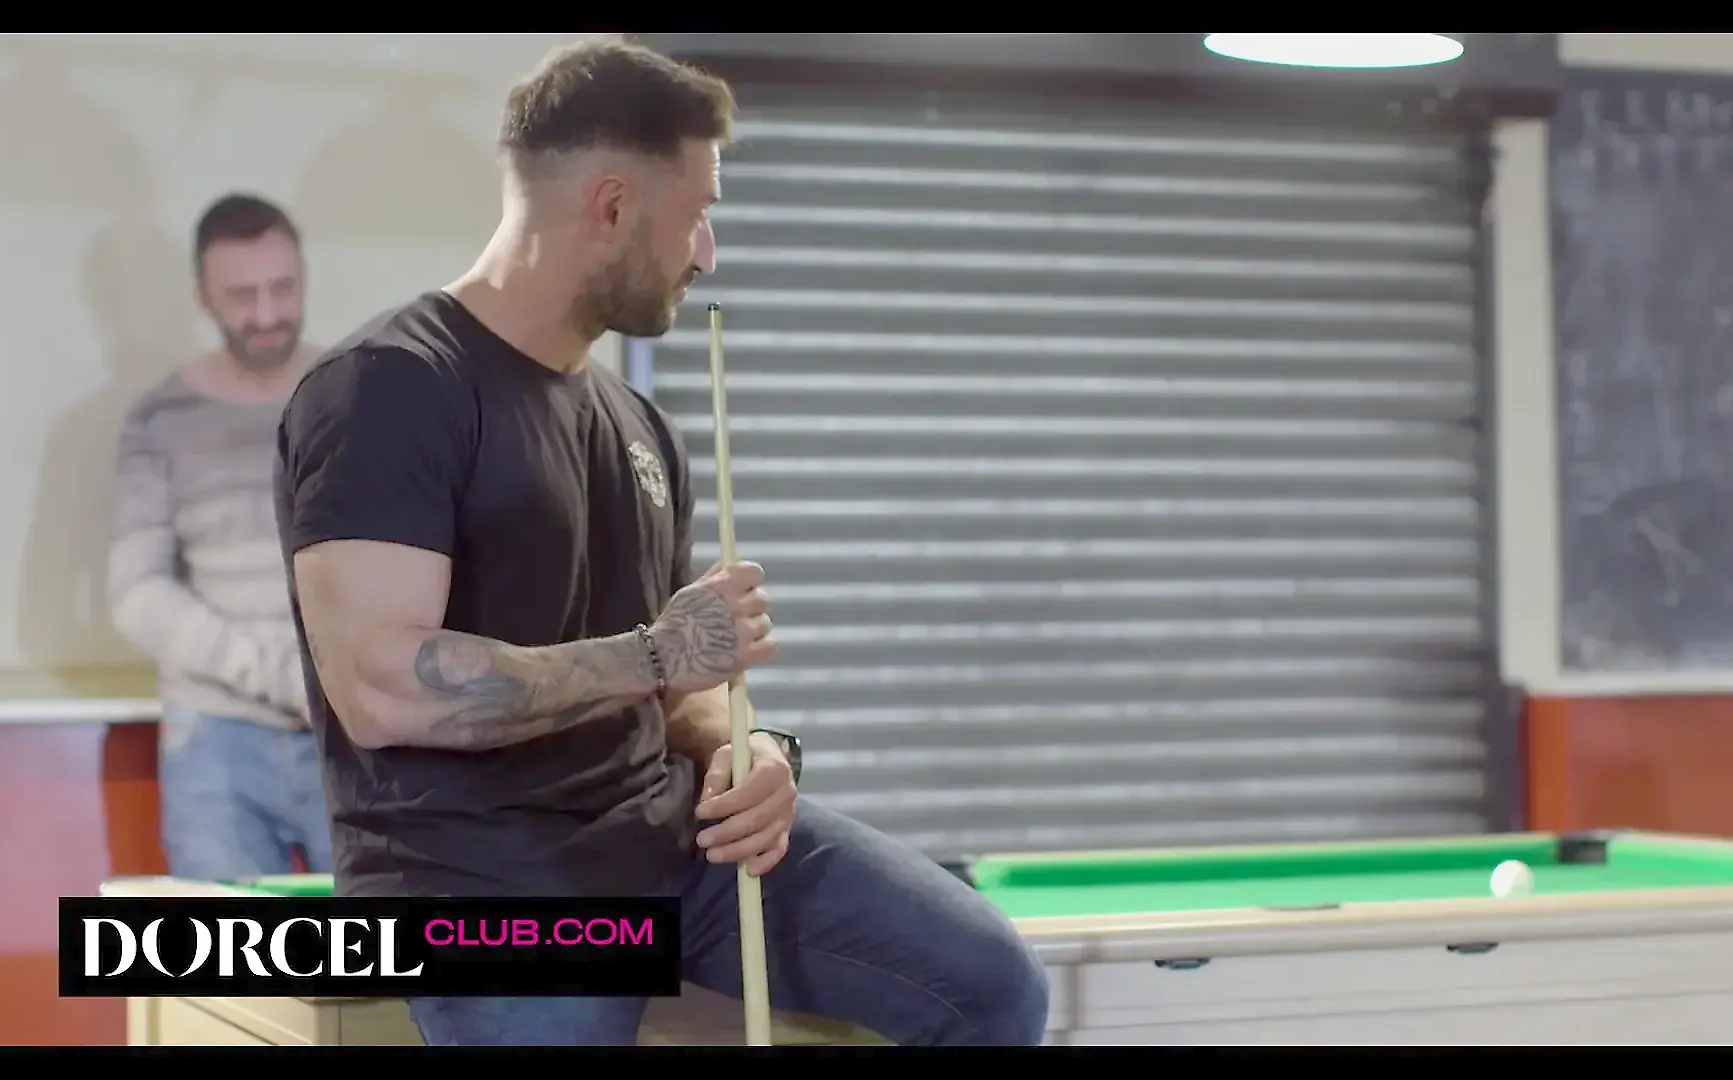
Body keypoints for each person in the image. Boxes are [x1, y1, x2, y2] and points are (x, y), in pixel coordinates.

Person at [271, 39, 1051, 1046]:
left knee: (990, 984)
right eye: (697, 213)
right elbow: (383, 690)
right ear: (611, 207)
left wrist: (746, 749)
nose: (708, 251)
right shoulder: (391, 387)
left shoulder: (640, 425)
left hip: (672, 843)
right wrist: (656, 655)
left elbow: (683, 684)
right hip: (486, 884)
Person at [109, 193, 329, 881]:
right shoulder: (161, 419)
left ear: (304, 277)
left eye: (282, 288)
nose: (266, 314)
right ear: (202, 297)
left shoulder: (356, 395)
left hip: (351, 736)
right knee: (221, 946)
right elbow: (136, 594)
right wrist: (281, 677)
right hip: (214, 740)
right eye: (241, 296)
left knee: (383, 942)